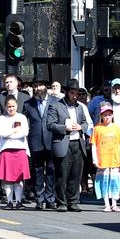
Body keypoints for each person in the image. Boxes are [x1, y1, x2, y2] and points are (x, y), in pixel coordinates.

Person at [46, 79, 88, 212]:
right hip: (64, 143)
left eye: (77, 94)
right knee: (62, 175)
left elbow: (86, 123)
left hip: (77, 143)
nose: (74, 96)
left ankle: (73, 201)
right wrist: (65, 127)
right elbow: (50, 125)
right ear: (67, 92)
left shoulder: (80, 107)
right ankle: (61, 202)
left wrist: (81, 127)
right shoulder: (56, 106)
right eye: (72, 93)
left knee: (76, 174)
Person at [23, 82, 56, 210]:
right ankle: (39, 198)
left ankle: (50, 198)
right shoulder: (28, 104)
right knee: (37, 171)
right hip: (35, 141)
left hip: (51, 139)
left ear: (46, 87)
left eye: (40, 86)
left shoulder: (55, 101)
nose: (38, 89)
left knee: (51, 170)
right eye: (35, 86)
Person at [0, 95, 31, 209]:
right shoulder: (2, 118)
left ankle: (19, 201)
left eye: (13, 106)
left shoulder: (22, 117)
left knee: (18, 179)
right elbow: (0, 132)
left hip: (20, 150)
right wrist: (14, 131)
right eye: (9, 106)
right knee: (8, 179)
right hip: (6, 150)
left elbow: (24, 132)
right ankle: (10, 201)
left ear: (17, 106)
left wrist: (9, 134)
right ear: (5, 107)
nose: (11, 109)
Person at [91, 105, 120, 212]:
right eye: (105, 115)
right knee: (104, 181)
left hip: (114, 159)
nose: (107, 117)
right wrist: (95, 159)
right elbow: (93, 145)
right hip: (103, 160)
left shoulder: (116, 128)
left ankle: (114, 203)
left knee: (115, 181)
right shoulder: (97, 128)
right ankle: (106, 204)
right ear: (101, 116)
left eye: (109, 115)